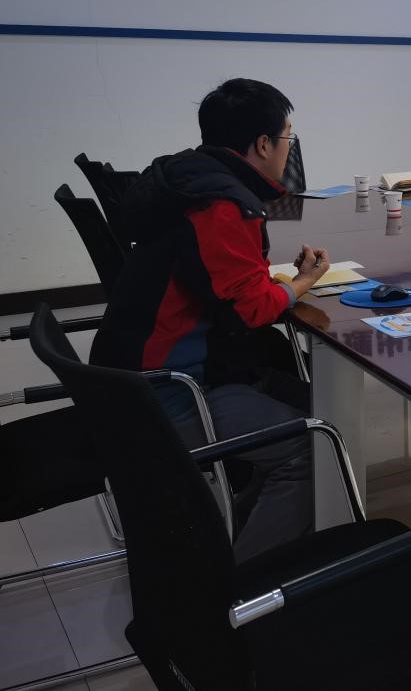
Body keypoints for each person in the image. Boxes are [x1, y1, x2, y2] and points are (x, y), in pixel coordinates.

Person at [90, 78, 331, 562]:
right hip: (166, 392)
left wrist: (269, 281)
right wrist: (303, 283)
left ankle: (242, 536)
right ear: (262, 144)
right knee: (312, 449)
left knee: (312, 404)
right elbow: (250, 310)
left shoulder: (190, 179)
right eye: (288, 138)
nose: (289, 148)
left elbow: (221, 283)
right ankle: (245, 584)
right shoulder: (222, 205)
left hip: (132, 373)